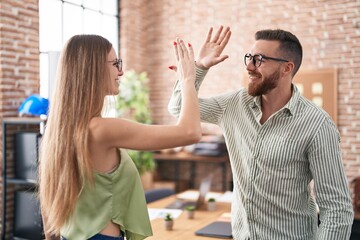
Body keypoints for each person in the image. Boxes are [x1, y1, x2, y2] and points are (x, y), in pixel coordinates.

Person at [168, 26, 354, 239]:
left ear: (287, 68)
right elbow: (179, 107)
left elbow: (337, 210)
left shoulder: (318, 125)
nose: (249, 66)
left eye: (259, 59)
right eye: (249, 57)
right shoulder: (234, 104)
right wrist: (199, 68)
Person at [38, 35, 201, 240]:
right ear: (93, 68)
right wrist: (187, 79)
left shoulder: (59, 132)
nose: (121, 72)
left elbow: (49, 205)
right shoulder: (102, 129)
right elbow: (190, 132)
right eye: (116, 64)